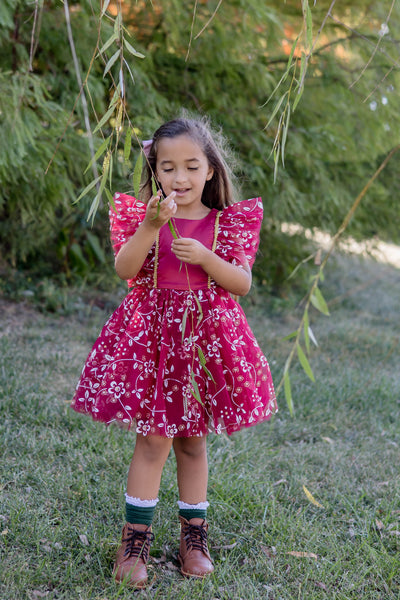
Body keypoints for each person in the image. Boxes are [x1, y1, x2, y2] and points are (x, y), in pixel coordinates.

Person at [71, 116, 277, 588]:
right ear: (155, 171)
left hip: (205, 343)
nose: (178, 178)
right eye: (167, 168)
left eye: (190, 166)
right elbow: (126, 267)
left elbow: (240, 283)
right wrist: (149, 227)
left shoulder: (227, 222)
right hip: (154, 343)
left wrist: (207, 259)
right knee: (152, 440)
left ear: (209, 170)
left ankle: (194, 536)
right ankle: (134, 540)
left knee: (192, 441)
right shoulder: (143, 216)